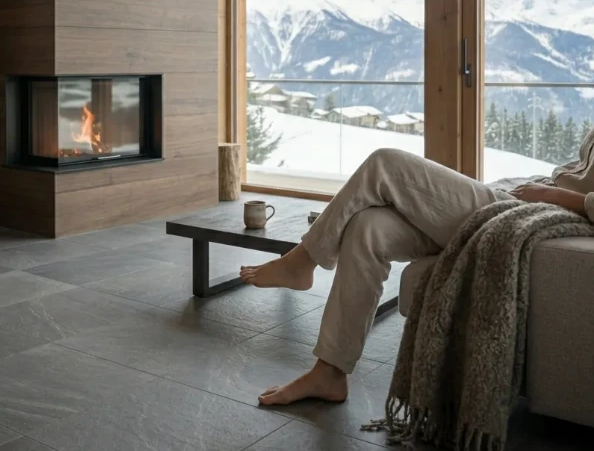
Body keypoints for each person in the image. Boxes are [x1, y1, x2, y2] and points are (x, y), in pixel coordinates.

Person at [239, 146, 594, 407]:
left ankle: (302, 261)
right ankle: (330, 371)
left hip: (538, 214)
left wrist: (548, 194)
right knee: (368, 227)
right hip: (526, 199)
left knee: (385, 163)